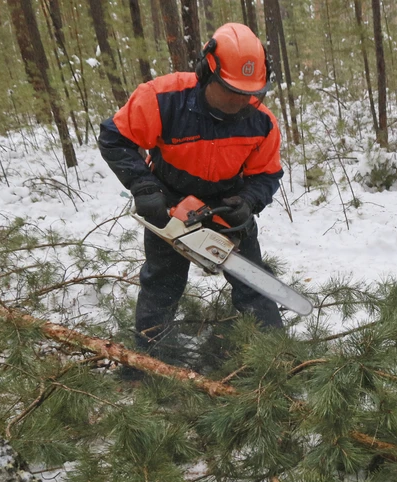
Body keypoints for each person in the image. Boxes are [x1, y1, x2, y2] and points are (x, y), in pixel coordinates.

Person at [98, 23, 284, 369]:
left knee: (253, 283)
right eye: (230, 91)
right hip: (171, 199)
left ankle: (276, 363)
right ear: (205, 72)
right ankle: (148, 366)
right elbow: (115, 138)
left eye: (249, 93)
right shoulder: (162, 99)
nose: (240, 102)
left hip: (227, 202)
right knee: (161, 283)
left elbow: (267, 173)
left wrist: (248, 202)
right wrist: (145, 188)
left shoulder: (262, 122)